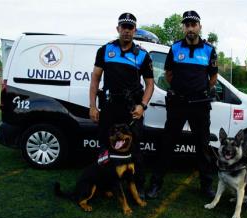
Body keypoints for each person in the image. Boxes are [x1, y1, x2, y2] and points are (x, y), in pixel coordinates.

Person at [146, 10, 218, 199]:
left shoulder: (209, 50)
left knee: (202, 146)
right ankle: (155, 184)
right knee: (167, 144)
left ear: (199, 27)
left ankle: (206, 186)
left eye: (193, 24)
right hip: (178, 103)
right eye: (187, 25)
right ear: (183, 28)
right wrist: (181, 90)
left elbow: (213, 76)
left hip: (200, 105)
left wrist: (200, 90)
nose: (190, 28)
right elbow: (169, 74)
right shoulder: (175, 48)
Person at [89, 12, 154, 199]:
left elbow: (150, 84)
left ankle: (138, 187)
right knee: (104, 147)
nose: (126, 31)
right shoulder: (105, 50)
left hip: (132, 110)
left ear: (135, 30)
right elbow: (95, 79)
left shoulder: (142, 55)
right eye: (123, 27)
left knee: (135, 149)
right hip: (109, 107)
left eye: (130, 28)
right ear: (118, 29)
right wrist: (93, 106)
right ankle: (104, 185)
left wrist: (142, 105)